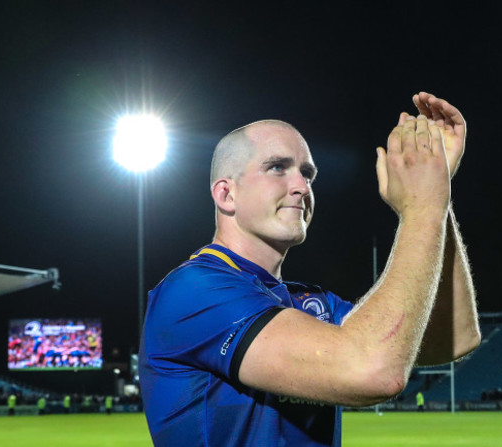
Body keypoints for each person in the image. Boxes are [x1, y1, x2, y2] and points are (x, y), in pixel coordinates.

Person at [139, 92, 481, 446]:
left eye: (307, 173)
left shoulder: (309, 303)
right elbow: (373, 370)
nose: (302, 186)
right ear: (227, 194)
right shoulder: (193, 291)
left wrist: (437, 193)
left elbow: (455, 336)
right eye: (277, 167)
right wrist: (421, 208)